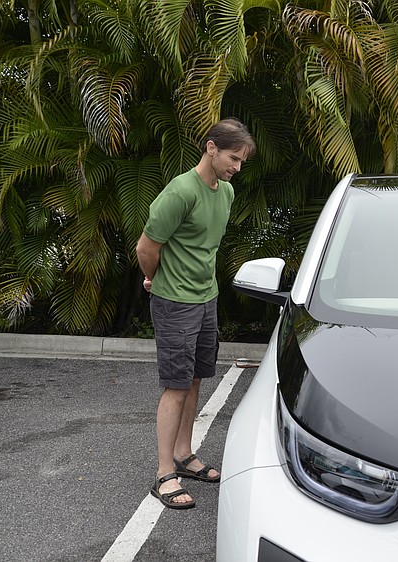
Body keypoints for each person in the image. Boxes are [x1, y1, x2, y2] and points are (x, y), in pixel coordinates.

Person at [136, 118, 256, 509]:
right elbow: (146, 247)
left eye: (241, 161)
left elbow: (203, 247)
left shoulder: (226, 193)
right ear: (211, 148)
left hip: (206, 298)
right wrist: (154, 278)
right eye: (233, 158)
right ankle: (163, 474)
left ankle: (183, 454)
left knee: (195, 378)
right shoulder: (180, 191)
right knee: (176, 385)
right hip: (175, 302)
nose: (237, 167)